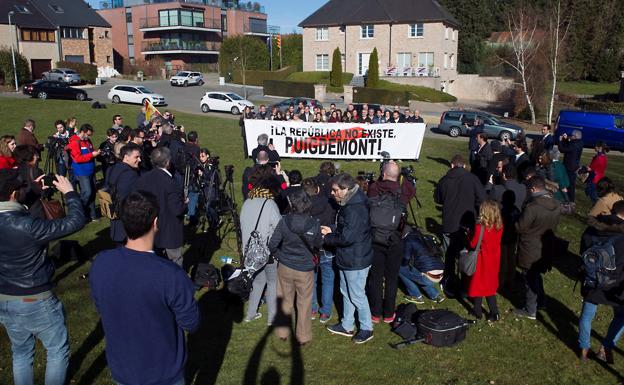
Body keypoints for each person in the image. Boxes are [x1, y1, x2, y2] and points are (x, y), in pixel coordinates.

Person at [89, 191, 200, 385]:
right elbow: (191, 322)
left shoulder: (101, 263)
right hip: (162, 374)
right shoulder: (170, 274)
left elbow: (101, 306)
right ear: (155, 222)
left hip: (123, 369)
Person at [0, 170, 85, 385]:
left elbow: (15, 206)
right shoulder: (28, 227)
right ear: (12, 193)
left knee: (21, 352)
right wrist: (71, 194)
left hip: (6, 297)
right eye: (20, 189)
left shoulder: (17, 221)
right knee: (56, 350)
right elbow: (74, 222)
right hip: (35, 297)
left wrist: (34, 192)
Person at [322, 173, 375, 344]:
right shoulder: (351, 201)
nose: (332, 193)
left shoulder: (355, 208)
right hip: (349, 257)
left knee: (357, 294)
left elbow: (347, 237)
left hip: (355, 259)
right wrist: (333, 231)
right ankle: (347, 324)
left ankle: (367, 328)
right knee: (346, 291)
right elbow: (347, 231)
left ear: (345, 189)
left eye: (335, 190)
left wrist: (327, 239)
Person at [269, 188, 322, 344]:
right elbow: (319, 244)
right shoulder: (314, 224)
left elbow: (272, 244)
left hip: (285, 267)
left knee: (284, 300)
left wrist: (280, 256)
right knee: (304, 303)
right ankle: (302, 336)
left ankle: (282, 332)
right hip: (304, 270)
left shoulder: (284, 221)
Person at [366, 161, 416, 323]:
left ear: (383, 173)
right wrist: (402, 176)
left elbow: (370, 194)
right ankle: (388, 313)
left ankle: (375, 313)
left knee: (376, 276)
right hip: (395, 239)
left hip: (375, 238)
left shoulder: (374, 187)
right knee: (392, 277)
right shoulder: (403, 190)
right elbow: (412, 190)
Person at [578, 200, 624, 362]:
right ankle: (606, 348)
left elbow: (583, 250)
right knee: (621, 317)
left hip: (593, 278)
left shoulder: (593, 227)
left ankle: (583, 348)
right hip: (616, 282)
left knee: (587, 314)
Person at [434, 155, 485, 296]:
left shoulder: (444, 180)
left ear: (451, 165)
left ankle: (449, 281)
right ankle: (464, 285)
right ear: (463, 166)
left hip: (449, 223)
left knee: (449, 255)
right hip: (467, 224)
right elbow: (482, 199)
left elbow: (437, 199)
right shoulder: (472, 179)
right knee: (464, 254)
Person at [514, 176, 561, 319]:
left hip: (530, 247)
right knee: (536, 275)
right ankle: (541, 301)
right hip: (545, 246)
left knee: (529, 279)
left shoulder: (532, 208)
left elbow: (519, 227)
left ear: (534, 189)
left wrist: (515, 220)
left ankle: (530, 310)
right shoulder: (556, 204)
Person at [241, 165, 282, 324]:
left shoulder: (246, 203)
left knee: (258, 282)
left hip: (250, 252)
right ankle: (272, 318)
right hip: (268, 251)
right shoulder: (270, 204)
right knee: (272, 283)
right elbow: (279, 228)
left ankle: (250, 314)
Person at [135, 147, 186, 267]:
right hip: (169, 230)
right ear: (168, 162)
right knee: (175, 261)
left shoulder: (143, 179)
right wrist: (185, 203)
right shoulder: (170, 183)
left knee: (156, 262)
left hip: (149, 228)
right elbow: (177, 209)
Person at [303, 178, 336, 323]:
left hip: (312, 247)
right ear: (317, 188)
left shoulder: (303, 206)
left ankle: (314, 309)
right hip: (325, 245)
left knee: (313, 280)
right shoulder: (329, 202)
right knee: (327, 279)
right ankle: (324, 311)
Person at [467, 200, 504, 321]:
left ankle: (479, 311)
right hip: (494, 259)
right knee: (489, 285)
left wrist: (468, 235)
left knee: (479, 284)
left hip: (483, 260)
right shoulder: (500, 226)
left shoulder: (479, 227)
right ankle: (493, 312)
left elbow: (473, 244)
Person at [105, 143, 142, 243]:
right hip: (127, 224)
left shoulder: (111, 169)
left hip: (114, 216)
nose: (139, 160)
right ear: (126, 157)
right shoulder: (131, 174)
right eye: (136, 157)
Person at [399, 228, 445, 304]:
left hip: (428, 275)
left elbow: (405, 260)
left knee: (399, 269)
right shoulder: (424, 237)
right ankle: (435, 295)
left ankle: (416, 296)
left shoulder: (408, 240)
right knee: (419, 273)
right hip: (440, 273)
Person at [67, 124, 100, 221]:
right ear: (83, 132)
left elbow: (91, 150)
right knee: (87, 192)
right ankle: (78, 212)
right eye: (88, 135)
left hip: (91, 170)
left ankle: (92, 215)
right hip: (82, 172)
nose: (89, 137)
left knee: (92, 193)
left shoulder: (87, 140)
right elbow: (77, 159)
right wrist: (91, 155)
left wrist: (96, 153)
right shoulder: (75, 142)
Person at [13, 144, 46, 219]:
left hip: (19, 212)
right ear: (30, 156)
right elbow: (44, 193)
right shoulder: (36, 171)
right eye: (36, 154)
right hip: (36, 210)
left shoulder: (14, 171)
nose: (37, 157)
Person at [558, 129, 584, 202]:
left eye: (572, 136)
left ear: (575, 137)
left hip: (569, 166)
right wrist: (566, 139)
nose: (571, 137)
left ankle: (570, 199)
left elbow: (562, 149)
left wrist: (560, 141)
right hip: (575, 165)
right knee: (571, 183)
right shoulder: (580, 142)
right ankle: (570, 198)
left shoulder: (574, 145)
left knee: (569, 183)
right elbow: (570, 143)